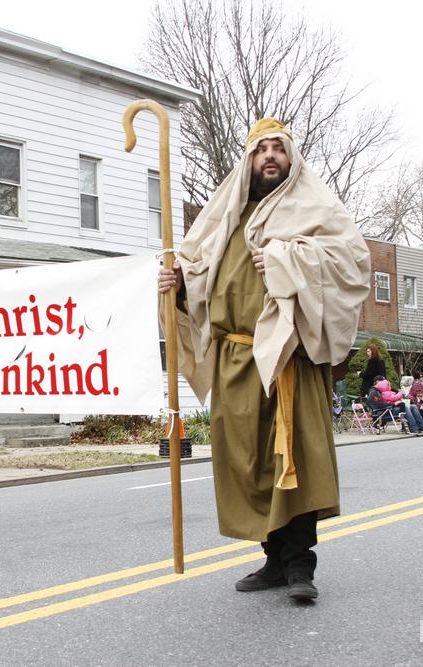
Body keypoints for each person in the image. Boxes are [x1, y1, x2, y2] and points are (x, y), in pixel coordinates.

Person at [157, 118, 371, 601]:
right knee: (247, 463)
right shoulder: (224, 217)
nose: (270, 156)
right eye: (261, 150)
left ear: (291, 159)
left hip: (288, 357)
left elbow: (353, 267)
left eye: (278, 149)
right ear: (249, 160)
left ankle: (300, 566)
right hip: (235, 358)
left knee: (293, 459)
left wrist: (287, 259)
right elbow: (200, 276)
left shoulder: (315, 209)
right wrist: (177, 288)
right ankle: (272, 559)